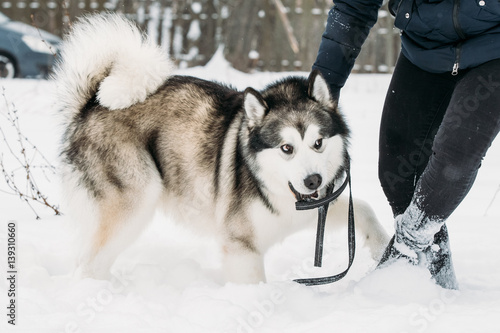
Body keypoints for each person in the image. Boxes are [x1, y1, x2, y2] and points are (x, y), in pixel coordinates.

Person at [313, 0, 500, 289]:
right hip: (425, 49)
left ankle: (403, 256)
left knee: (454, 156)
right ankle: (434, 284)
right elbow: (353, 7)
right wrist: (323, 88)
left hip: (494, 49)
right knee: (398, 173)